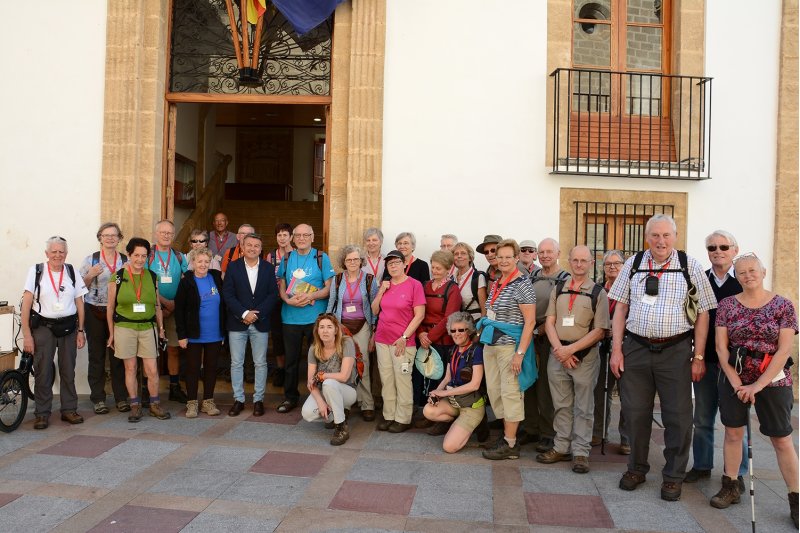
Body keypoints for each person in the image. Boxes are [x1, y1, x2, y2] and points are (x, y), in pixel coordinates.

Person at [609, 214, 716, 502]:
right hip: (636, 349)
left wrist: (699, 356)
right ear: (647, 237)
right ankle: (637, 468)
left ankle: (673, 476)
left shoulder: (689, 265)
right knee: (634, 413)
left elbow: (704, 313)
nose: (660, 241)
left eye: (666, 235)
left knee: (679, 417)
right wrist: (617, 349)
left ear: (675, 237)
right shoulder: (633, 264)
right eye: (655, 235)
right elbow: (620, 308)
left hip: (677, 351)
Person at [711, 253, 798, 527]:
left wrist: (758, 385)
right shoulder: (726, 305)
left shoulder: (783, 305)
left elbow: (784, 350)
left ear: (762, 271)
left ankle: (796, 498)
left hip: (772, 378)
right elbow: (720, 348)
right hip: (735, 377)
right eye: (742, 272)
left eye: (753, 270)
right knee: (733, 434)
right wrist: (736, 382)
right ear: (736, 276)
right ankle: (731, 485)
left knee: (781, 439)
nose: (748, 275)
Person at [537, 245, 609, 474]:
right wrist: (559, 350)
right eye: (575, 260)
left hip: (584, 357)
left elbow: (600, 330)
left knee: (584, 407)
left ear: (591, 263)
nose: (579, 264)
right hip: (558, 355)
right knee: (561, 405)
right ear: (569, 260)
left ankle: (580, 452)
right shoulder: (559, 288)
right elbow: (549, 321)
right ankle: (561, 446)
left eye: (583, 261)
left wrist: (572, 351)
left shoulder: (599, 292)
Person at [685, 231, 747, 485]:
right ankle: (701, 465)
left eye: (723, 246)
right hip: (706, 359)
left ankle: (738, 473)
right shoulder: (699, 281)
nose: (717, 251)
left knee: (736, 422)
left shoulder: (744, 280)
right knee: (702, 417)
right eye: (712, 247)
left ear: (735, 249)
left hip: (737, 365)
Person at [21, 236, 88, 429]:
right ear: (47, 254)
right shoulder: (36, 271)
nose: (58, 255)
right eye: (54, 252)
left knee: (68, 369)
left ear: (66, 254)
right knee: (43, 370)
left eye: (61, 252)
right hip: (43, 327)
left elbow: (80, 303)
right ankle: (42, 413)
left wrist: (81, 330)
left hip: (68, 327)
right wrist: (27, 335)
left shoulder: (72, 271)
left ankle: (69, 410)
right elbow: (26, 305)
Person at [479, 239, 536, 461]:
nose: (503, 260)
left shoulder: (522, 283)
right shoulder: (498, 281)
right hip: (491, 344)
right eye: (499, 256)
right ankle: (506, 436)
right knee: (496, 392)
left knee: (511, 393)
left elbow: (529, 323)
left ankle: (511, 444)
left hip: (509, 346)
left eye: (507, 257)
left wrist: (519, 354)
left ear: (515, 258)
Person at [107, 237, 170, 422]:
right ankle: (134, 405)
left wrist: (161, 328)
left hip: (147, 327)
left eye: (144, 256)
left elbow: (157, 305)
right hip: (125, 327)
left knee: (151, 369)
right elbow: (110, 307)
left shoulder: (151, 276)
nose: (140, 260)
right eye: (136, 255)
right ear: (129, 254)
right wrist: (111, 333)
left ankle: (154, 404)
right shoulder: (117, 277)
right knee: (131, 368)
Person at [276, 223, 335, 413]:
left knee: (319, 360)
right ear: (293, 238)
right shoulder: (286, 258)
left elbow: (329, 288)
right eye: (298, 235)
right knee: (291, 361)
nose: (301, 238)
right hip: (290, 318)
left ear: (312, 236)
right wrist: (287, 299)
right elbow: (282, 284)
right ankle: (290, 397)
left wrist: (311, 296)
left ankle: (319, 398)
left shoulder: (321, 258)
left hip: (315, 320)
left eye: (305, 235)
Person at [222, 233, 278, 416]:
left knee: (260, 363)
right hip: (238, 322)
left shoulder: (269, 269)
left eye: (257, 246)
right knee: (236, 363)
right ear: (242, 247)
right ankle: (238, 399)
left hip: (260, 323)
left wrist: (256, 315)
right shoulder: (233, 267)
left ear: (261, 249)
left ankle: (258, 400)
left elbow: (272, 295)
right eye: (249, 245)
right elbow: (228, 294)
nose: (253, 248)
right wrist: (245, 313)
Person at [522, 237, 569, 453]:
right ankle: (530, 428)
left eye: (550, 251)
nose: (545, 255)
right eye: (541, 252)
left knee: (547, 388)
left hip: (551, 336)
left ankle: (549, 433)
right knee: (529, 383)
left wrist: (541, 329)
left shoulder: (565, 279)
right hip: (529, 335)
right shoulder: (532, 277)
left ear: (558, 253)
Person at [371, 250, 426, 433]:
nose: (393, 266)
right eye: (389, 263)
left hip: (402, 341)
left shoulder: (414, 285)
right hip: (382, 339)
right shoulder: (385, 285)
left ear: (404, 264)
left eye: (396, 262)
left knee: (402, 379)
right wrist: (381, 291)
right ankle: (389, 415)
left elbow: (419, 315)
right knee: (386, 379)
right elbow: (374, 310)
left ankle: (403, 418)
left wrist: (404, 337)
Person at [80, 223, 129, 414]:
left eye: (114, 235)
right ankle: (98, 399)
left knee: (118, 355)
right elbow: (79, 288)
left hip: (119, 312)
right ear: (100, 237)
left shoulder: (125, 260)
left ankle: (121, 397)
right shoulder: (90, 260)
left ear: (119, 238)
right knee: (97, 356)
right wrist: (90, 276)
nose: (110, 238)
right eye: (106, 235)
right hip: (94, 312)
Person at [326, 244, 378, 421]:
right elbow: (331, 304)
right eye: (349, 259)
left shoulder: (370, 279)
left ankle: (367, 403)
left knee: (363, 363)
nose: (353, 262)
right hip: (342, 327)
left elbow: (375, 308)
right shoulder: (338, 279)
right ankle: (345, 403)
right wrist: (330, 327)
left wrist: (374, 331)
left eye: (356, 259)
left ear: (361, 260)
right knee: (344, 365)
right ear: (344, 262)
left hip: (363, 326)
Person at [423, 312, 489, 452]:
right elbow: (447, 378)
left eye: (461, 330)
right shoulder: (453, 350)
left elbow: (475, 384)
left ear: (469, 331)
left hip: (471, 406)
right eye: (453, 330)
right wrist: (436, 394)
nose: (456, 333)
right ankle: (457, 423)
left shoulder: (476, 351)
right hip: (455, 402)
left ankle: (475, 423)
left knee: (449, 447)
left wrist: (444, 392)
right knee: (428, 410)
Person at [415, 250, 462, 433]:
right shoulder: (425, 285)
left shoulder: (453, 289)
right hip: (424, 338)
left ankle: (441, 419)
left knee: (440, 379)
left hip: (442, 341)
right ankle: (429, 413)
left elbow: (449, 318)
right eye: (433, 267)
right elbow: (417, 311)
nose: (434, 270)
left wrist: (430, 336)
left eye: (439, 268)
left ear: (448, 268)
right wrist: (420, 334)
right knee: (426, 376)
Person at [175, 247, 225, 418]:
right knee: (193, 369)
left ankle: (208, 402)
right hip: (194, 334)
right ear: (193, 263)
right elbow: (179, 310)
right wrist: (181, 335)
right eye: (199, 261)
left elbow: (223, 305)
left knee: (211, 368)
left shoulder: (216, 278)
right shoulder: (186, 282)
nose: (203, 264)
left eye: (206, 261)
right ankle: (192, 404)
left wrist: (223, 331)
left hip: (215, 333)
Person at [592, 250, 630, 454]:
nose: (613, 267)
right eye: (608, 264)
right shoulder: (598, 290)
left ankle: (627, 438)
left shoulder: (631, 290)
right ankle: (598, 432)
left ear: (624, 266)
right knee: (599, 391)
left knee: (628, 394)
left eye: (617, 263)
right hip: (601, 346)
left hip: (626, 348)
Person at [148, 219, 189, 404]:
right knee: (149, 351)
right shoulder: (147, 254)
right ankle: (147, 388)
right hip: (151, 308)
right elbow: (145, 282)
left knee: (173, 349)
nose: (166, 236)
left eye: (170, 233)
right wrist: (163, 303)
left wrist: (174, 304)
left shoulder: (179, 257)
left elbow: (185, 281)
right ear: (156, 234)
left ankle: (174, 387)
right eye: (163, 232)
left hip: (174, 309)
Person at [301, 314, 359, 446]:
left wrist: (323, 376)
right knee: (307, 413)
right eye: (321, 327)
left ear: (336, 330)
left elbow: (344, 376)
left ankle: (341, 427)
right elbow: (310, 382)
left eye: (329, 327)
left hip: (347, 391)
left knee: (329, 383)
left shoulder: (346, 342)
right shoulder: (314, 348)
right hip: (324, 391)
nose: (325, 331)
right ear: (317, 330)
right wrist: (320, 402)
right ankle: (335, 414)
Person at [265, 222, 294, 387]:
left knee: (290, 334)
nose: (282, 238)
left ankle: (291, 368)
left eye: (285, 235)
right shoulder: (271, 256)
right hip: (276, 300)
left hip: (291, 300)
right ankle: (280, 368)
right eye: (279, 235)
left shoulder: (297, 255)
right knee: (277, 335)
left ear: (291, 237)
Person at [452, 242, 487, 321]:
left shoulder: (478, 277)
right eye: (456, 254)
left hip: (474, 322)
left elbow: (484, 309)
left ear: (470, 257)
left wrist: (480, 328)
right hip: (456, 324)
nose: (459, 256)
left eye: (463, 253)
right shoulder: (451, 278)